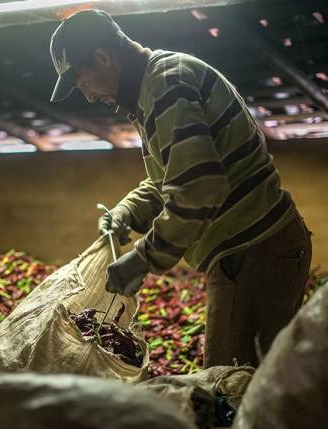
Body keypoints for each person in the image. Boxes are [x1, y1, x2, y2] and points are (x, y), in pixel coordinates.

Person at [49, 10, 312, 367]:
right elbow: (173, 178)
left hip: (255, 251)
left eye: (83, 84)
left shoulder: (166, 86)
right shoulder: (155, 90)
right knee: (244, 383)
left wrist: (143, 260)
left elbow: (198, 187)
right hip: (251, 251)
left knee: (227, 388)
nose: (91, 97)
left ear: (103, 57)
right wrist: (127, 212)